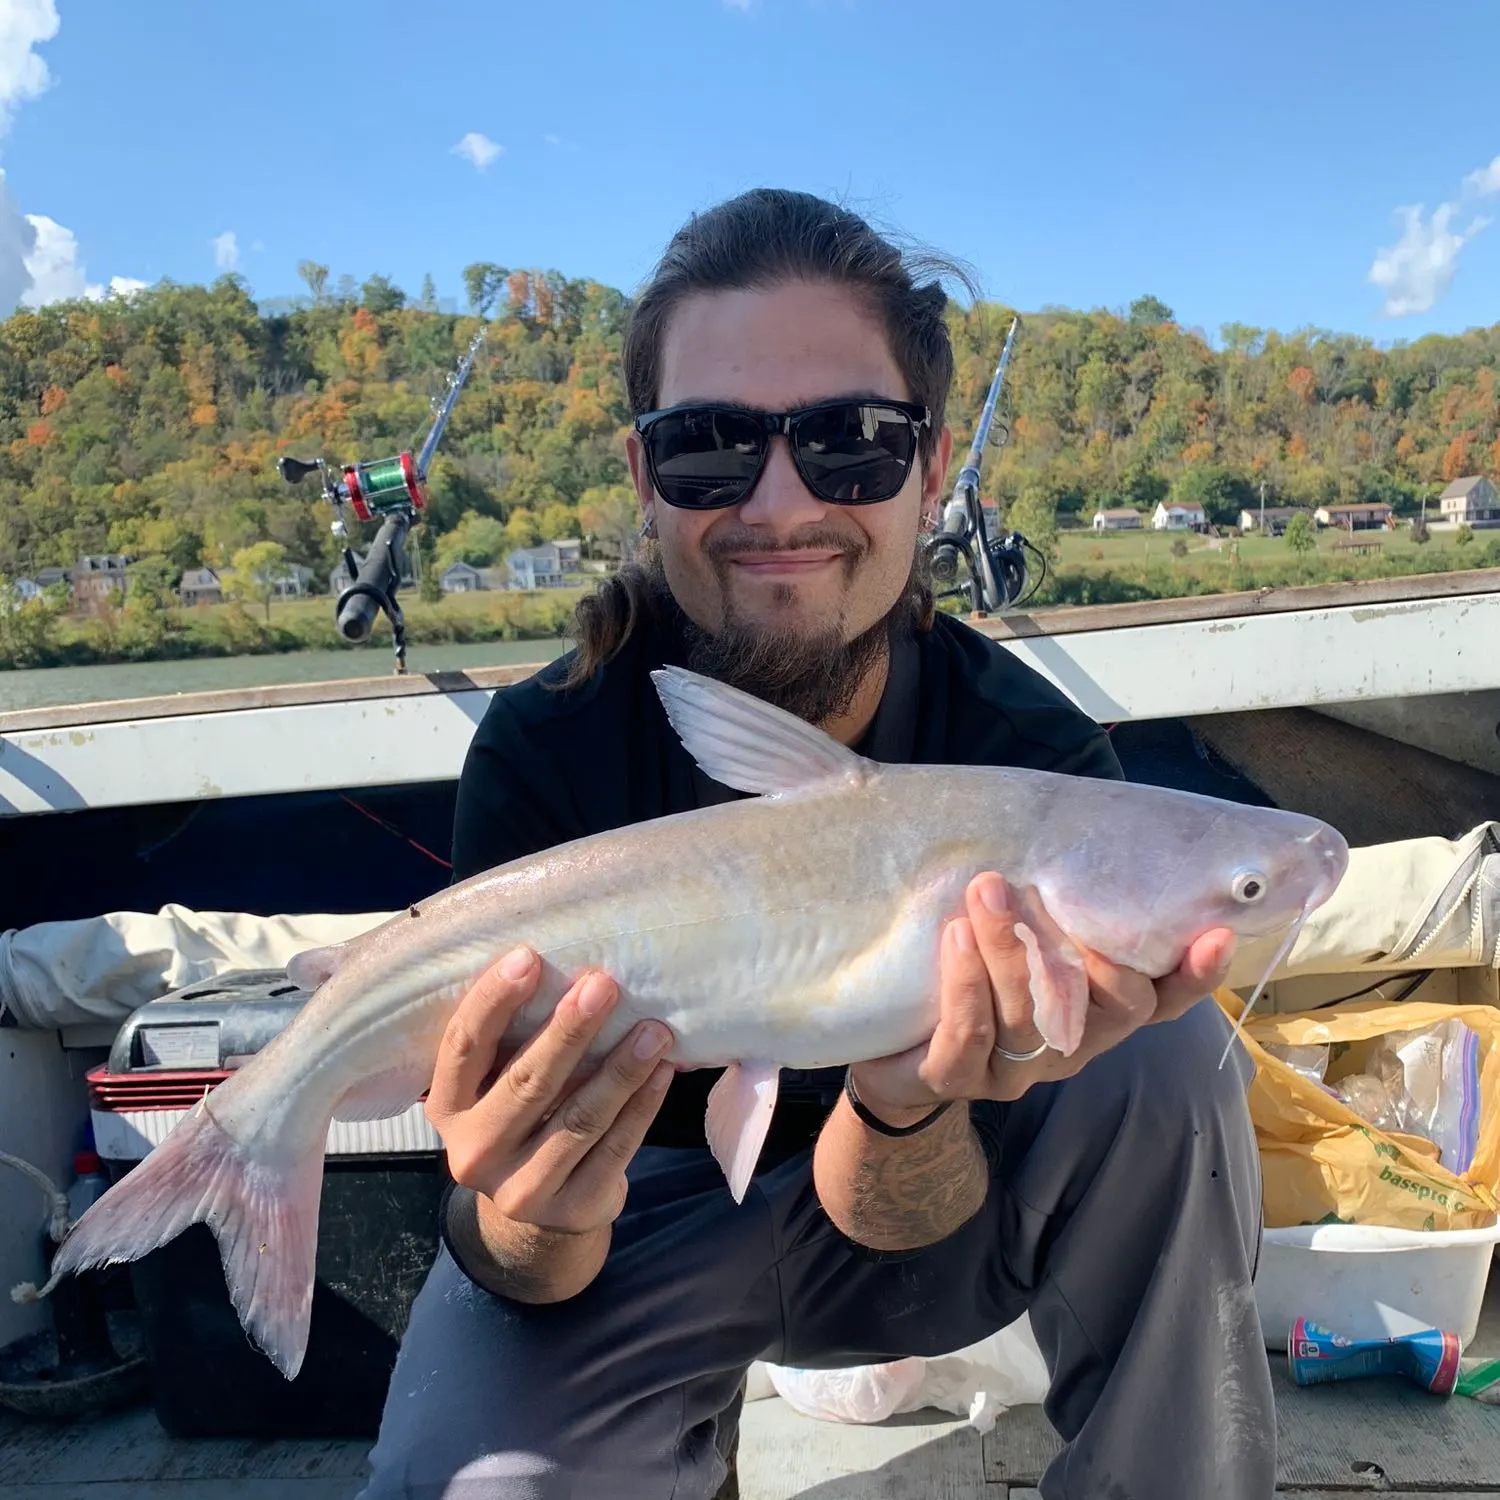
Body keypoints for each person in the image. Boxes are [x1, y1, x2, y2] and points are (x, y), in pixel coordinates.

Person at [359, 188, 1274, 1500]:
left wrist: (907, 1096)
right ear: (643, 478)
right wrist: (529, 1207)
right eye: (709, 448)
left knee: (1169, 1056)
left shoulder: (1030, 757)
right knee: (470, 1477)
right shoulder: (545, 752)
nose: (781, 503)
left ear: (931, 469)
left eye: (850, 443)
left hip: (932, 1212)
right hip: (634, 1230)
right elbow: (527, 1267)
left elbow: (894, 1220)